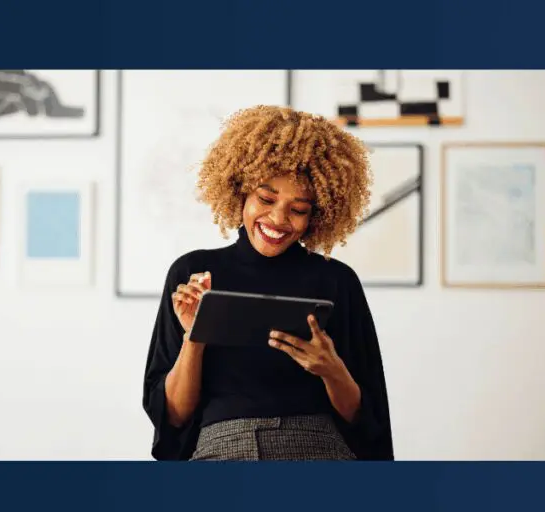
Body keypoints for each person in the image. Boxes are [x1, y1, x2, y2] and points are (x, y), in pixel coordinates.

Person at [141, 105, 393, 461]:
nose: (278, 219)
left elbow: (366, 420)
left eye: (298, 209)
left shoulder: (337, 281)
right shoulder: (194, 274)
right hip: (221, 452)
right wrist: (195, 337)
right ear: (240, 189)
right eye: (266, 198)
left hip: (318, 451)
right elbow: (174, 417)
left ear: (317, 214)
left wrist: (331, 370)